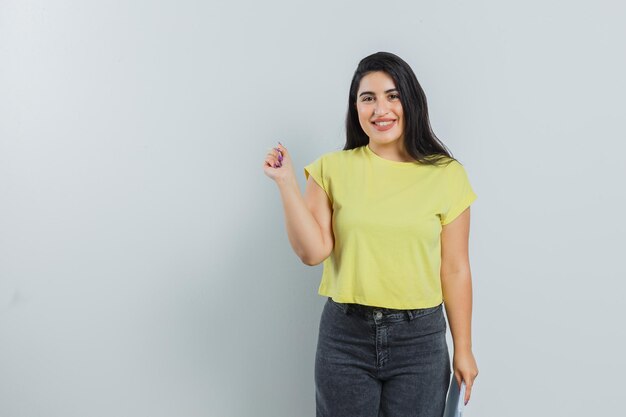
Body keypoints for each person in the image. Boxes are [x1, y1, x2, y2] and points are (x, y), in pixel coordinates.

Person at [263, 51, 479, 417]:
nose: (381, 109)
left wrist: (464, 347)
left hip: (421, 340)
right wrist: (285, 183)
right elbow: (313, 252)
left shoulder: (447, 174)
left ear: (410, 101)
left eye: (392, 96)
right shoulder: (332, 169)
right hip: (346, 337)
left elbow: (455, 268)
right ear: (356, 108)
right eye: (368, 98)